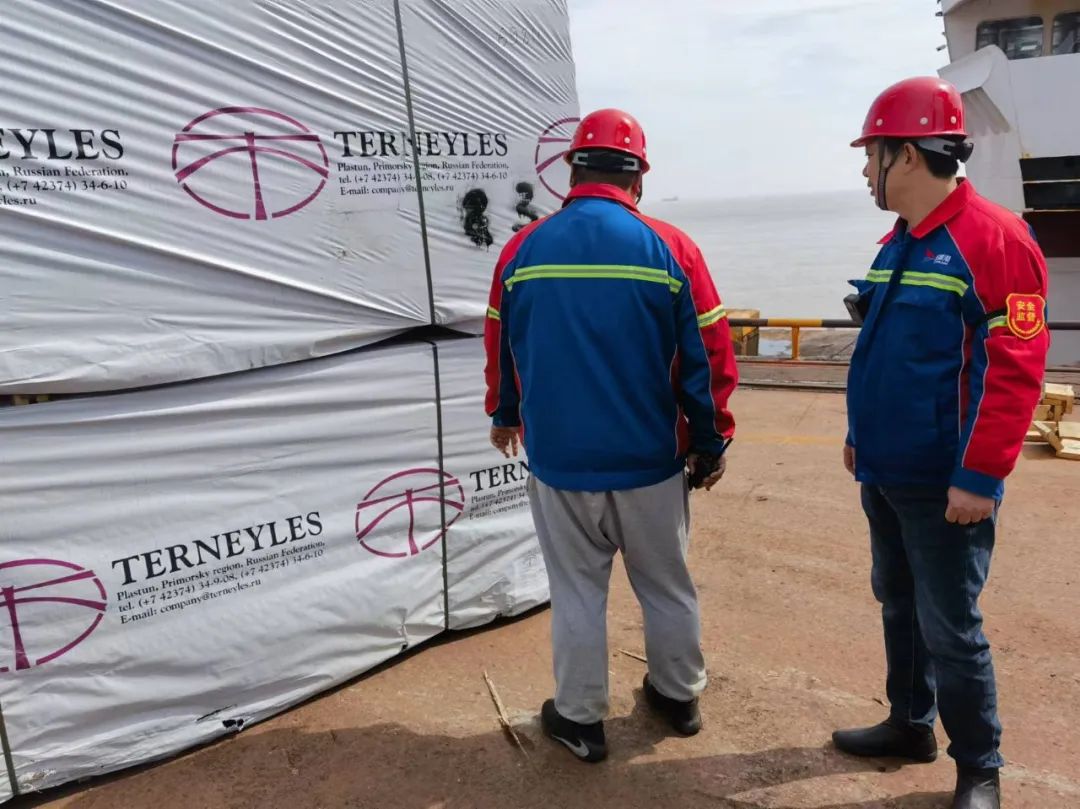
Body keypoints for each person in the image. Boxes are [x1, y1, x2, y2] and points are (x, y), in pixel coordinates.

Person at [482, 108, 738, 763]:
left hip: (560, 464)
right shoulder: (671, 248)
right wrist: (711, 439)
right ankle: (678, 698)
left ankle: (579, 720)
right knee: (666, 585)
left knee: (577, 592)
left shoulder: (522, 250)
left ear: (573, 170)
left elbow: (502, 346)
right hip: (651, 462)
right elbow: (709, 356)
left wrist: (504, 413)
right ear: (638, 178)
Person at [836, 77, 1050, 809]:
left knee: (952, 626)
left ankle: (979, 767)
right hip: (886, 469)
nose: (864, 169)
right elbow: (881, 351)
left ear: (906, 154)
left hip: (945, 481)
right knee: (897, 602)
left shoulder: (995, 239)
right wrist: (860, 436)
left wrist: (980, 475)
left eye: (871, 154)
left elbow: (1015, 371)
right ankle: (909, 724)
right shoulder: (899, 241)